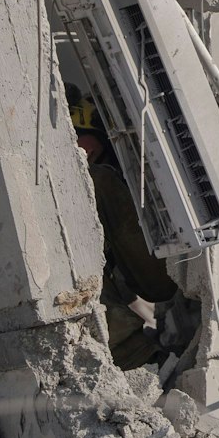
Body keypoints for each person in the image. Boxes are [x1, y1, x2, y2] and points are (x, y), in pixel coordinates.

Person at [68, 85, 179, 369]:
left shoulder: (104, 180)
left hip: (160, 280)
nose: (80, 152)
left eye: (81, 140)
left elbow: (156, 282)